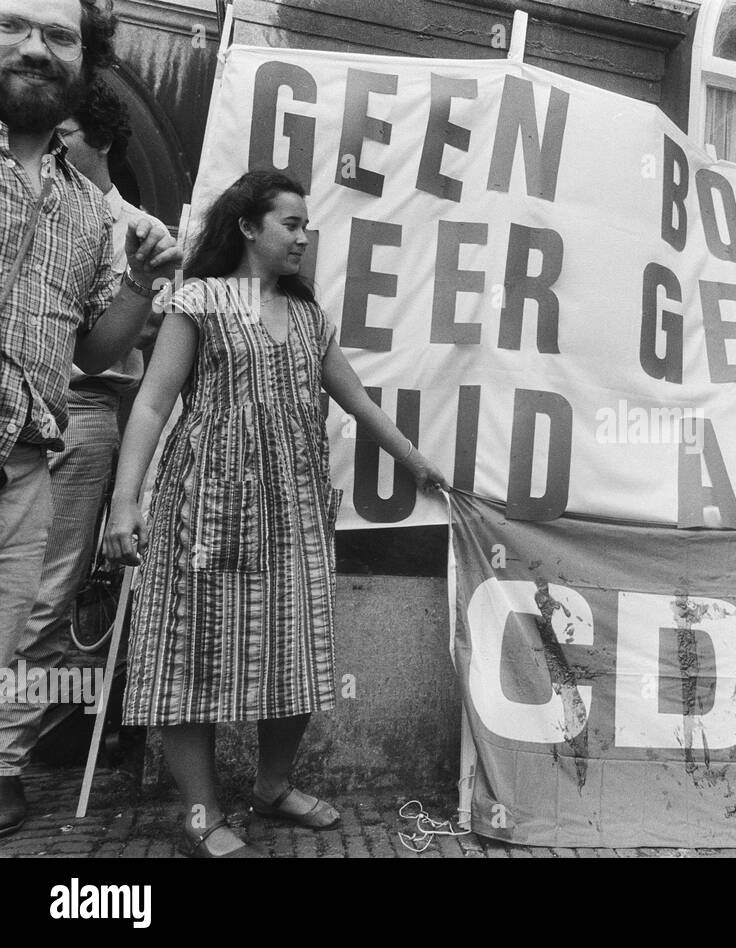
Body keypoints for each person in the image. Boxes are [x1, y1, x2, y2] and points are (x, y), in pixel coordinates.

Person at [104, 170, 445, 858]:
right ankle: (202, 812)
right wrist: (123, 503)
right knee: (187, 659)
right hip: (202, 512)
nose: (303, 237)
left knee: (293, 656)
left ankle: (272, 785)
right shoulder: (198, 301)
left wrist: (416, 461)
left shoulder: (311, 318)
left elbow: (358, 402)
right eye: (291, 223)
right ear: (248, 227)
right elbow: (150, 402)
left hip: (292, 514)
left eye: (306, 225)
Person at [0, 0, 180, 837]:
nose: (36, 49)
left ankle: (4, 762)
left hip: (45, 438)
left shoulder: (88, 213)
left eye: (59, 35)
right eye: (13, 27)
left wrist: (142, 284)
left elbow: (102, 352)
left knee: (27, 618)